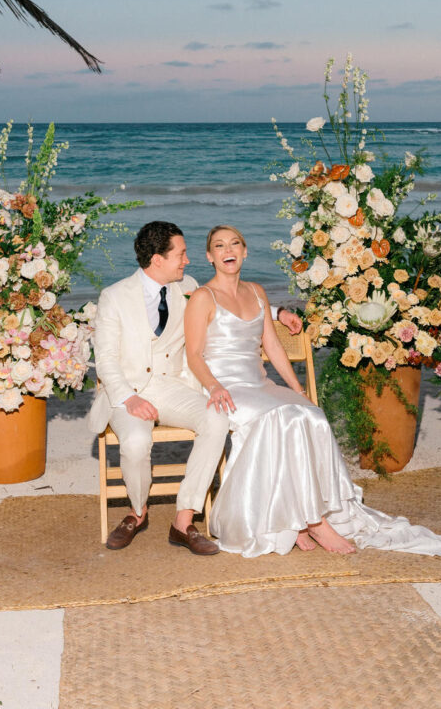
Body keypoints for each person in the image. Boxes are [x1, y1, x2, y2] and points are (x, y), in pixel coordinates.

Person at [184, 224, 441, 558]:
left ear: (245, 251)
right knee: (284, 417)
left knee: (310, 414)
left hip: (259, 384)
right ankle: (314, 523)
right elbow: (194, 354)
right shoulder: (203, 297)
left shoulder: (256, 291)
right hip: (226, 389)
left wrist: (297, 388)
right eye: (219, 245)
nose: (227, 250)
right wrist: (214, 386)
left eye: (234, 244)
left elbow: (272, 345)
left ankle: (298, 518)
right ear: (209, 256)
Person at [87, 220, 303, 554]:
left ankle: (183, 520)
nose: (187, 261)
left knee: (216, 418)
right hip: (127, 392)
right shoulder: (113, 297)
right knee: (136, 441)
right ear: (157, 260)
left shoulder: (186, 286)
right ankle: (137, 512)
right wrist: (129, 399)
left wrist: (278, 313)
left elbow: (227, 301)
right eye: (181, 254)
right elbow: (105, 360)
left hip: (172, 386)